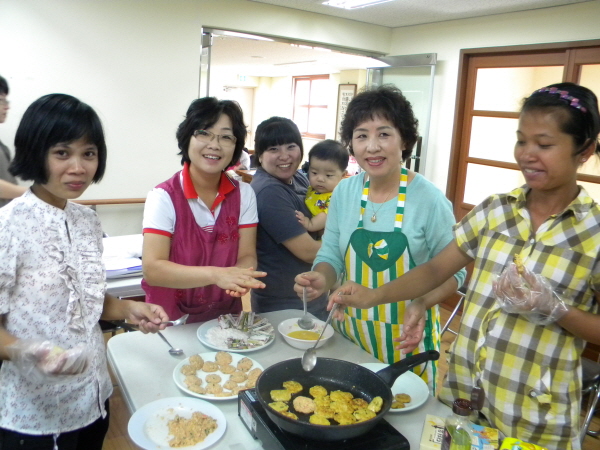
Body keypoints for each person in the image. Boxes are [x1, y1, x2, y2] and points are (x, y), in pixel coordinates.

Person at [329, 82, 600, 450]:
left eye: (545, 144)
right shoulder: (496, 211)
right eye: (522, 141)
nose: (528, 155)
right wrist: (374, 295)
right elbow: (434, 270)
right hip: (464, 392)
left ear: (584, 150)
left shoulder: (593, 233)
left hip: (536, 408)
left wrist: (555, 308)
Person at [0, 93, 168, 450]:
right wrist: (26, 351)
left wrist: (127, 309)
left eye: (88, 153)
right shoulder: (8, 226)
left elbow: (84, 301)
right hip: (33, 416)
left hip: (93, 398)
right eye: (62, 153)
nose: (78, 167)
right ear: (36, 153)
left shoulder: (87, 220)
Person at [294, 85, 466, 391]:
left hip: (406, 337)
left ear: (404, 140)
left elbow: (456, 271)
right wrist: (320, 277)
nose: (372, 147)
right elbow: (331, 250)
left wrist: (422, 301)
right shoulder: (345, 192)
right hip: (349, 333)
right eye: (361, 136)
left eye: (384, 134)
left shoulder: (429, 199)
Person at [142, 97, 265, 324]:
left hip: (226, 317)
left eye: (226, 137)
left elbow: (247, 255)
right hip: (169, 320)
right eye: (204, 133)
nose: (214, 144)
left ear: (235, 147)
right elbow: (153, 269)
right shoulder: (163, 197)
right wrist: (217, 275)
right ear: (187, 138)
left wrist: (239, 278)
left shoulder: (244, 194)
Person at [251, 117, 328, 320]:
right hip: (284, 304)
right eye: (273, 149)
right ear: (259, 155)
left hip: (311, 294)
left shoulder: (300, 178)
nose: (284, 156)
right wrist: (349, 240)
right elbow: (309, 252)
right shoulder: (268, 191)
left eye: (291, 146)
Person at [295, 139, 348, 235]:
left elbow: (326, 216)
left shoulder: (337, 197)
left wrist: (310, 224)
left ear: (343, 175)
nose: (320, 179)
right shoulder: (311, 189)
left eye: (328, 175)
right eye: (314, 173)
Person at [0, 75, 27, 207]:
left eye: (6, 102)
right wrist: (33, 193)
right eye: (2, 101)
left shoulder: (2, 146)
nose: (7, 107)